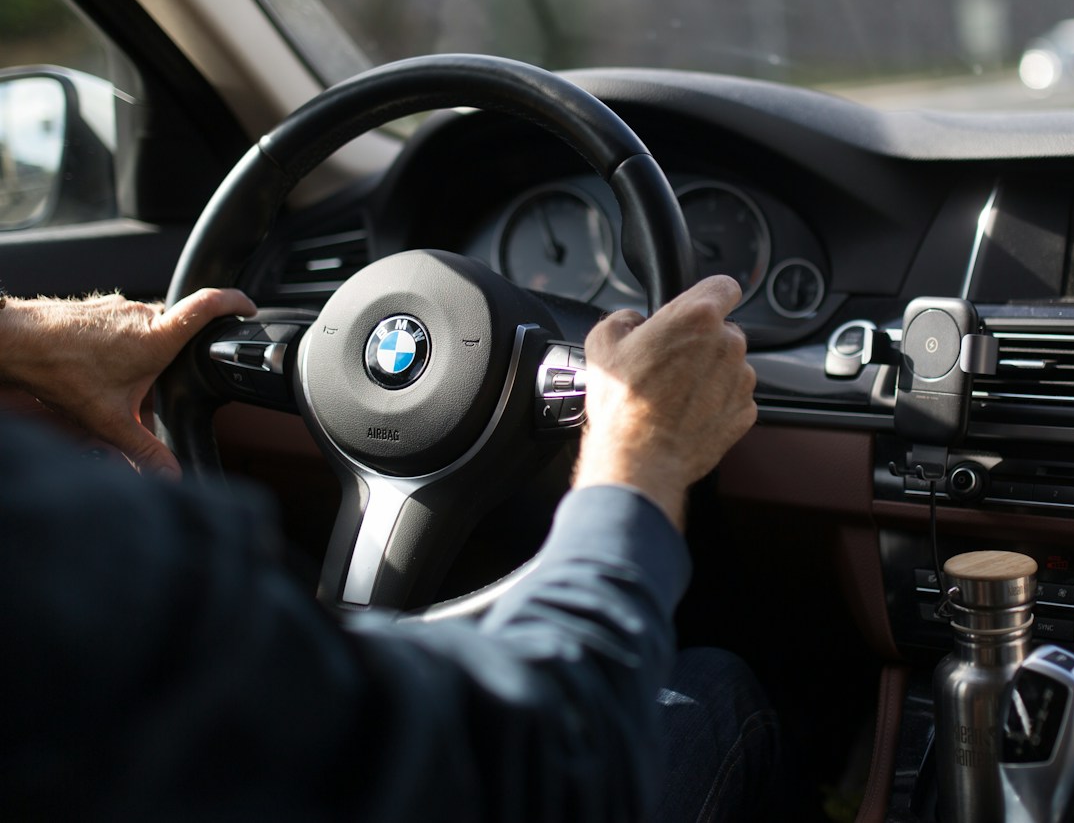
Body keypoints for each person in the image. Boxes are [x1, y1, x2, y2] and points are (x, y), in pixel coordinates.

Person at [0, 276, 778, 821]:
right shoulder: (60, 554)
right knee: (708, 688)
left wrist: (20, 335)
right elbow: (552, 759)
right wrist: (640, 446)